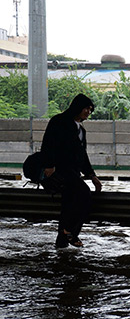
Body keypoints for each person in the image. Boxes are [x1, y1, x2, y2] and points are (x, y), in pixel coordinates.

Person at [39, 93, 103, 248]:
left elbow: (82, 155)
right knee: (84, 194)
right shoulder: (59, 121)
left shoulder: (81, 130)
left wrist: (92, 175)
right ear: (77, 107)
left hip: (72, 172)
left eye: (90, 109)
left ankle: (62, 243)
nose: (88, 112)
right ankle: (69, 232)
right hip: (60, 170)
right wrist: (49, 166)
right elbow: (48, 144)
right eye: (86, 108)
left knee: (68, 205)